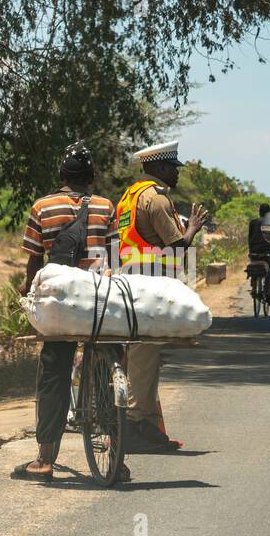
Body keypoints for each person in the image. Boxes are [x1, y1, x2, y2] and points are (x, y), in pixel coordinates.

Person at [18, 142, 115, 479]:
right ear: (91, 178)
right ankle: (118, 456)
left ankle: (44, 460)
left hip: (61, 306)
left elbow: (34, 260)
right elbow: (114, 258)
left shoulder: (43, 207)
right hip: (100, 301)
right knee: (109, 362)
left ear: (61, 175)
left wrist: (28, 291)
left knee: (53, 374)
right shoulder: (105, 206)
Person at [113, 140, 207, 453]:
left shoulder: (129, 197)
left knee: (145, 356)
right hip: (151, 287)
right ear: (159, 167)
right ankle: (136, 422)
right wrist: (191, 228)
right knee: (144, 355)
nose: (176, 174)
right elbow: (177, 247)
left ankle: (149, 425)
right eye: (173, 168)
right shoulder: (157, 200)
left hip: (132, 281)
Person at [247, 202, 270, 304]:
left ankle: (253, 286)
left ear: (259, 212)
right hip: (267, 253)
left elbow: (249, 237)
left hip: (254, 252)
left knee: (254, 266)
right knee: (268, 272)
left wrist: (251, 250)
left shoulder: (253, 222)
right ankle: (267, 292)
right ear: (268, 213)